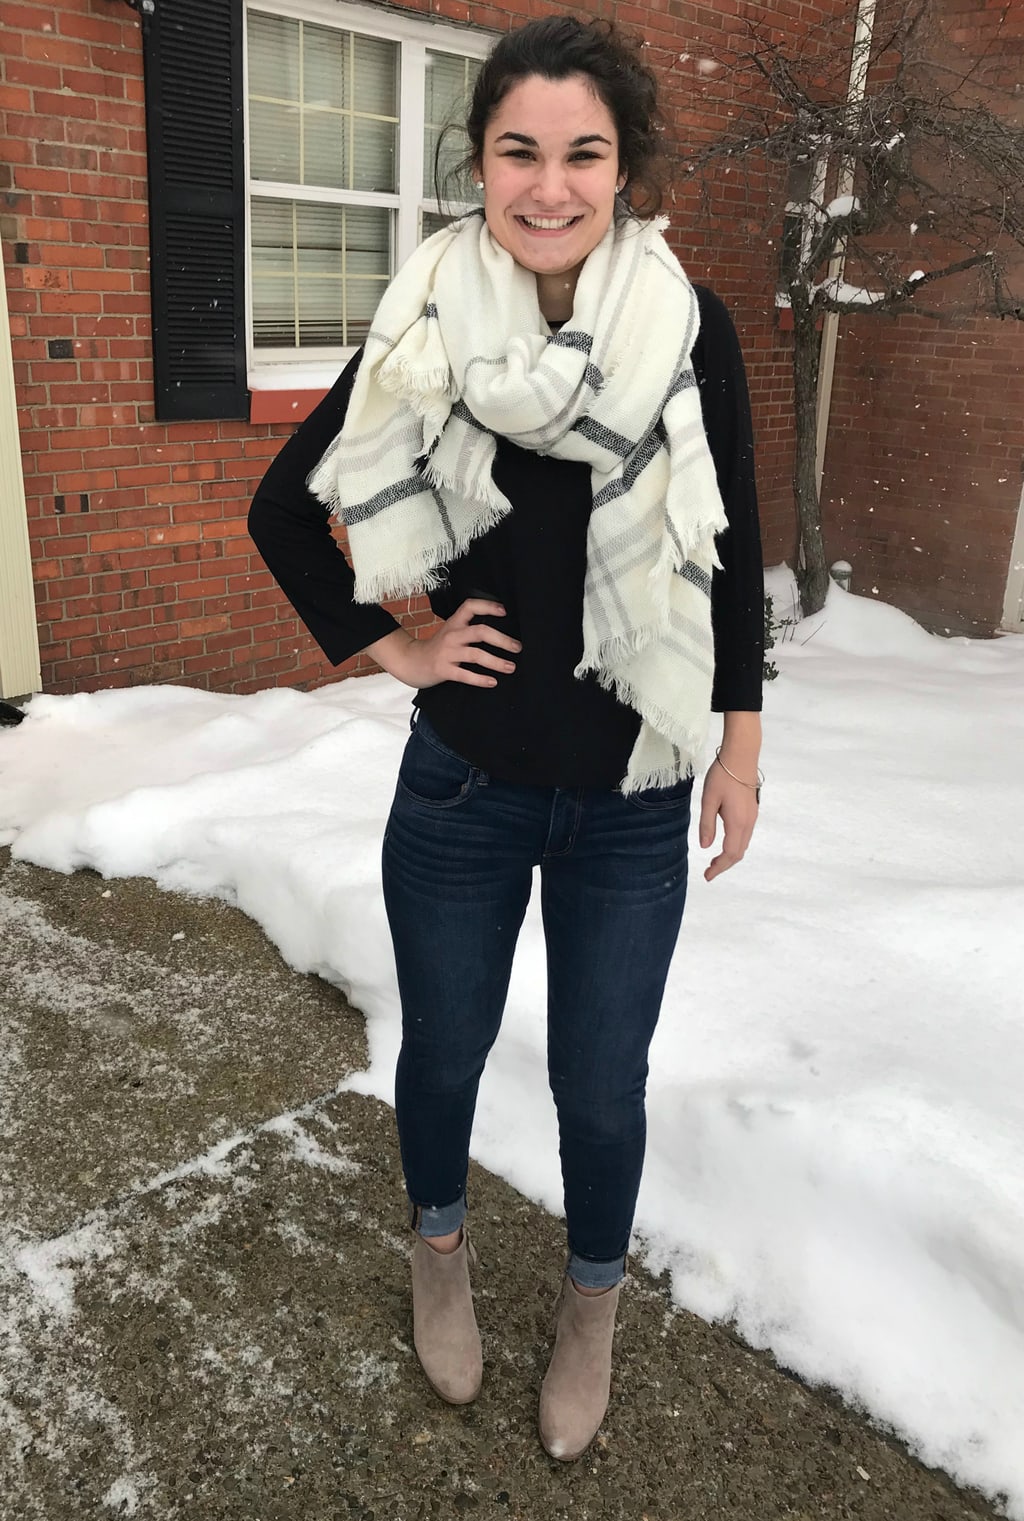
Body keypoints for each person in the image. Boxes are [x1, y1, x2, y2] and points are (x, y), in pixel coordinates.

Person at [249, 14, 764, 1463]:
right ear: (478, 163)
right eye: (518, 151)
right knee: (449, 1054)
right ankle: (441, 1255)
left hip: (630, 797)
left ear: (626, 167)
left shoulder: (688, 326)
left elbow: (728, 555)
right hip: (464, 786)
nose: (550, 186)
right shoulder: (425, 323)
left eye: (582, 153)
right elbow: (286, 508)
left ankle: (591, 1307)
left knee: (602, 1080)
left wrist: (741, 741)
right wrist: (395, 644)